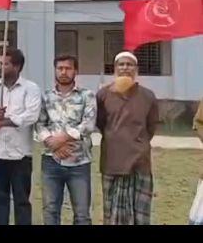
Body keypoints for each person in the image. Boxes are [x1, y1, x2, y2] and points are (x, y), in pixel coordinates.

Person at [0, 48, 41, 225]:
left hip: (20, 155)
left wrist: (4, 122)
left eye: (5, 64)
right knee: (0, 199)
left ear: (17, 67)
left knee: (21, 200)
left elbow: (31, 116)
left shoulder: (31, 89)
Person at [97, 51, 159, 225]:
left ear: (136, 69)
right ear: (115, 69)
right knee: (112, 214)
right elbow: (100, 124)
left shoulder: (148, 96)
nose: (125, 68)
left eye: (129, 64)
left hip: (140, 162)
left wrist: (138, 143)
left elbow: (151, 126)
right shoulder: (103, 95)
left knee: (140, 215)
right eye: (121, 64)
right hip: (112, 161)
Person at [35, 55, 96, 225]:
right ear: (55, 71)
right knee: (50, 210)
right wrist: (52, 144)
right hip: (51, 161)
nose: (63, 72)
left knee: (82, 213)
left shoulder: (87, 96)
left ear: (75, 71)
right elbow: (39, 124)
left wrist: (63, 138)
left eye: (68, 68)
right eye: (60, 68)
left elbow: (88, 125)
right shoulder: (46, 97)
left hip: (79, 162)